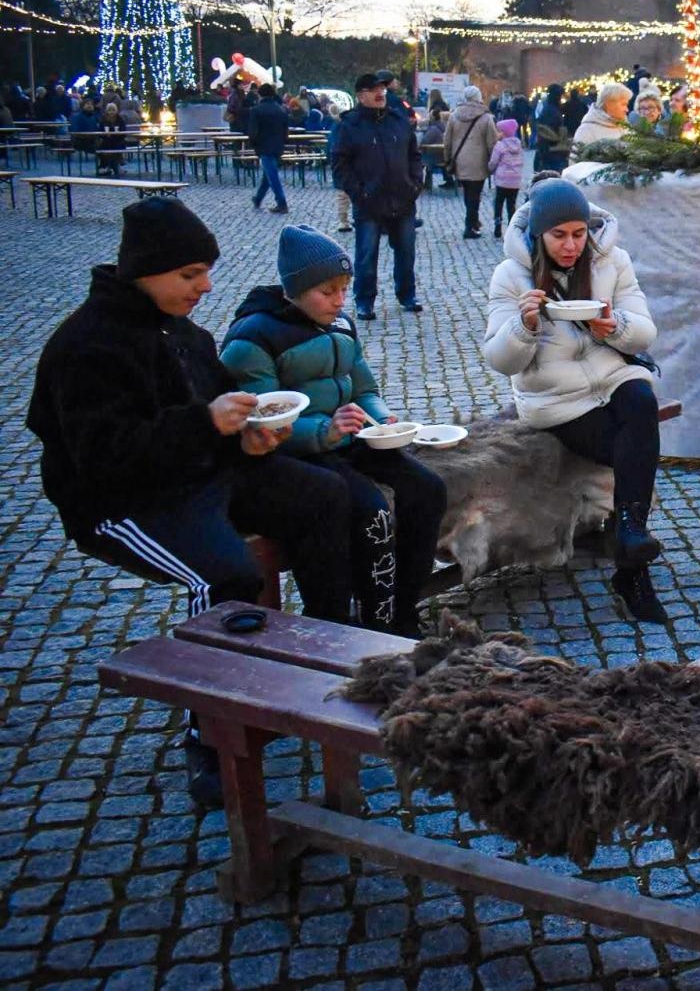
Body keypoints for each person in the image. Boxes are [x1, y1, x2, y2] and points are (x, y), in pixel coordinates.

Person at [26, 199, 355, 805]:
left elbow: (228, 415)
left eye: (205, 271)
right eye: (189, 274)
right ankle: (211, 739)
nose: (206, 286)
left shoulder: (187, 333)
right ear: (142, 272)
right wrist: (206, 424)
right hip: (122, 502)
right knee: (224, 573)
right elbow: (107, 457)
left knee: (326, 496)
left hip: (205, 474)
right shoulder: (86, 346)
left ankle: (324, 654)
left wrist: (254, 436)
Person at [220, 225, 448, 635]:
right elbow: (264, 419)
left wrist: (383, 419)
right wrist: (325, 430)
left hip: (349, 440)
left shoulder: (341, 325)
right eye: (328, 291)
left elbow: (364, 386)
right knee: (371, 511)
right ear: (296, 289)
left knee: (428, 488)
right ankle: (370, 626)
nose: (340, 300)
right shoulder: (252, 339)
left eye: (345, 288)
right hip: (303, 453)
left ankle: (404, 610)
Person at [483, 176, 666, 624]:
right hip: (556, 400)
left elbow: (646, 331)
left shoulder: (612, 260)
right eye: (559, 235)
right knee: (631, 445)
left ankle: (629, 534)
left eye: (579, 234)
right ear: (538, 234)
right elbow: (499, 360)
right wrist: (523, 327)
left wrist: (614, 325)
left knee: (641, 400)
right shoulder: (512, 275)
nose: (571, 246)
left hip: (613, 378)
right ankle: (632, 568)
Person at [331, 72, 424, 320]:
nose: (381, 93)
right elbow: (340, 164)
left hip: (403, 199)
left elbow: (414, 155)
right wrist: (359, 192)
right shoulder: (349, 126)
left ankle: (407, 295)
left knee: (406, 252)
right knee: (366, 254)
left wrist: (415, 184)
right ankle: (365, 301)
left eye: (382, 88)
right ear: (361, 95)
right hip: (369, 202)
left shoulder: (399, 120)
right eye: (374, 90)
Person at [443, 84, 498, 238]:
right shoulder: (486, 117)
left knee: (468, 193)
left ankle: (473, 222)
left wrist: (448, 159)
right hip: (478, 163)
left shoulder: (454, 116)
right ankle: (470, 226)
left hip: (460, 161)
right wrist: (493, 163)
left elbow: (447, 140)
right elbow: (492, 143)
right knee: (475, 195)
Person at [248, 82, 291, 214]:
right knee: (269, 174)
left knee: (272, 176)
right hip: (278, 146)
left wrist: (254, 145)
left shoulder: (256, 110)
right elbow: (286, 131)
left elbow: (253, 132)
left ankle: (282, 202)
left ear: (260, 95)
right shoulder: (281, 110)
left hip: (263, 146)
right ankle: (258, 198)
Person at [487, 118, 524, 239]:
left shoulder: (500, 145)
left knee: (498, 202)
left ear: (504, 133)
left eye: (499, 131)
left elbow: (493, 162)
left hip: (502, 180)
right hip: (515, 180)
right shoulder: (518, 144)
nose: (497, 133)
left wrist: (490, 169)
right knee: (511, 204)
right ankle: (512, 227)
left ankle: (498, 226)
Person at [572, 82, 632, 148]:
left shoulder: (626, 126)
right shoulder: (586, 131)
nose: (627, 109)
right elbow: (577, 157)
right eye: (623, 104)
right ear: (609, 104)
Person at [325, 101, 352, 232]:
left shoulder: (335, 127)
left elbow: (329, 146)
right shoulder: (350, 125)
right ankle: (360, 219)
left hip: (338, 163)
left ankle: (343, 221)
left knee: (342, 194)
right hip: (352, 161)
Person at [533, 83, 566, 168]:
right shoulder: (551, 111)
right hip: (551, 151)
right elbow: (548, 132)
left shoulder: (550, 108)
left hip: (550, 150)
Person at [97, 101, 128, 176]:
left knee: (114, 148)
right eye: (109, 110)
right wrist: (105, 134)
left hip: (118, 140)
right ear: (107, 111)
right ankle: (117, 167)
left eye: (113, 110)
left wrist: (117, 133)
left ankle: (109, 167)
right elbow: (100, 131)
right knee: (107, 147)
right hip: (106, 141)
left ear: (116, 110)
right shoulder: (103, 120)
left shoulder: (120, 119)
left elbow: (124, 131)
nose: (111, 112)